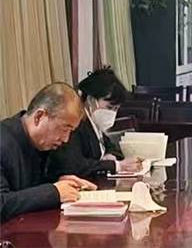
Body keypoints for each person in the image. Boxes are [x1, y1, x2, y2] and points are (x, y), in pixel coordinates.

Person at [1, 83, 97, 222]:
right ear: (39, 117)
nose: (66, 139)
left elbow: (27, 191)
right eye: (64, 129)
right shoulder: (3, 142)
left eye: (71, 132)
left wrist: (59, 184)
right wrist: (53, 192)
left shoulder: (41, 144)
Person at [47, 67, 143, 179]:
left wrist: (111, 156)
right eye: (109, 107)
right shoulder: (75, 125)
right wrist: (115, 166)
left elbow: (113, 148)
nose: (112, 113)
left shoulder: (95, 124)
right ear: (91, 100)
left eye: (116, 109)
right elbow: (75, 165)